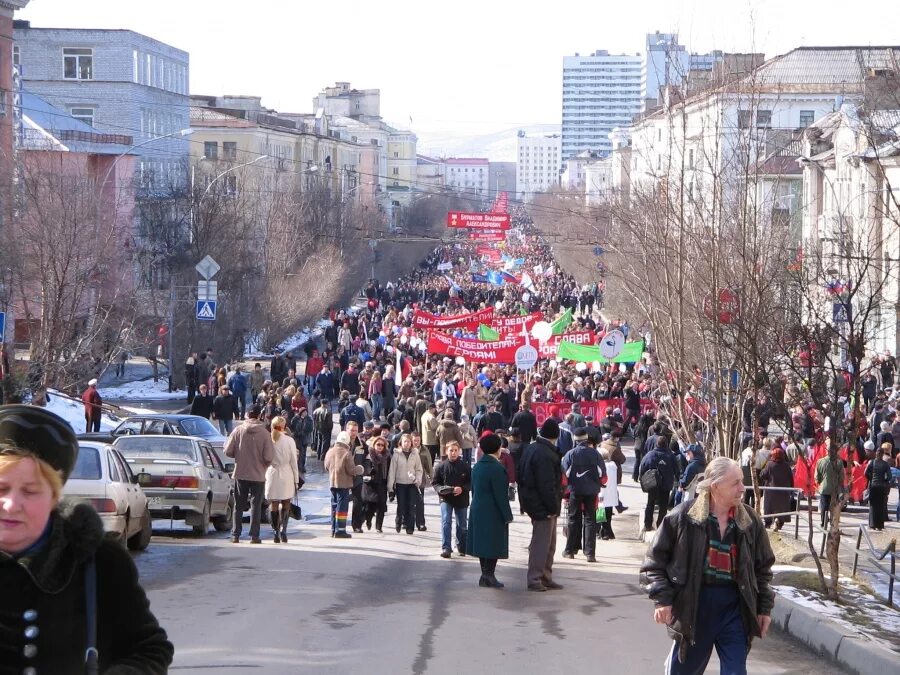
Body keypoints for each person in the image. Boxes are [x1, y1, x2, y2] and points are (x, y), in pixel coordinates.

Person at [0, 405, 174, 672]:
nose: (11, 505)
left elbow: (148, 649)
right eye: (1, 488)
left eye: (30, 491)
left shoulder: (98, 561)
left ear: (53, 498)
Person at [641, 457, 776, 675]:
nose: (743, 488)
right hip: (695, 606)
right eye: (735, 483)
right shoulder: (683, 517)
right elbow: (653, 564)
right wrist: (662, 600)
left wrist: (764, 608)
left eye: (742, 481)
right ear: (715, 486)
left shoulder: (749, 521)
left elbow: (763, 569)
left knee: (735, 671)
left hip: (735, 607)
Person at [518, 418, 564, 592]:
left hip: (534, 502)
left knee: (549, 543)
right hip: (542, 505)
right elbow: (546, 485)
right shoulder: (545, 454)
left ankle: (545, 576)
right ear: (555, 436)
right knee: (541, 544)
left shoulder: (533, 448)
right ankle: (535, 578)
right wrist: (552, 508)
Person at [466, 432, 514, 588]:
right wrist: (507, 514)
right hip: (492, 511)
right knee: (493, 543)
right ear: (497, 448)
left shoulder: (477, 466)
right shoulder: (497, 468)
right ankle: (489, 574)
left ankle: (484, 575)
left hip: (477, 508)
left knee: (482, 542)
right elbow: (501, 495)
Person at [225, 403, 275, 544]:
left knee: (238, 505)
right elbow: (269, 457)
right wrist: (263, 465)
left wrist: (239, 456)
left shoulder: (238, 430)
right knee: (256, 505)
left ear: (247, 415)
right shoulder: (265, 433)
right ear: (260, 415)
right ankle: (254, 536)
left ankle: (235, 535)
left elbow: (228, 451)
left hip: (240, 472)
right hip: (258, 474)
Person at [561, 427, 606, 563]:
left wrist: (565, 492)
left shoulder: (570, 454)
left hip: (575, 491)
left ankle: (569, 551)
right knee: (590, 520)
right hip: (592, 492)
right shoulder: (596, 454)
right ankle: (590, 553)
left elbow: (564, 477)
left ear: (575, 440)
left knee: (573, 519)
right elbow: (603, 476)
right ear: (586, 439)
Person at [433, 440, 471, 558]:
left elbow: (471, 483)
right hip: (446, 498)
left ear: (459, 451)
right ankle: (446, 548)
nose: (453, 453)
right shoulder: (440, 466)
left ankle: (461, 546)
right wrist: (441, 489)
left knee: (462, 525)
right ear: (446, 451)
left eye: (455, 450)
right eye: (451, 450)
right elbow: (435, 483)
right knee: (446, 521)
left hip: (461, 498)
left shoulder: (465, 466)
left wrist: (463, 488)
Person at [265, 416, 300, 543]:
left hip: (272, 472)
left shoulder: (268, 440)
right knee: (286, 502)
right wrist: (296, 479)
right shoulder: (289, 440)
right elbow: (293, 461)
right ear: (284, 426)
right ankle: (284, 530)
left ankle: (275, 531)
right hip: (286, 472)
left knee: (273, 503)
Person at [323, 430, 364, 538]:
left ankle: (333, 529)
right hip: (344, 484)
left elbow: (326, 466)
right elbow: (351, 470)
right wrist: (360, 469)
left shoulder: (330, 451)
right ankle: (340, 530)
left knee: (334, 506)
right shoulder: (346, 453)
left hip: (332, 482)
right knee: (342, 507)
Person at [639, 434, 676, 536]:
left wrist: (643, 479)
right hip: (666, 485)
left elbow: (642, 467)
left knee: (650, 504)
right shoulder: (670, 456)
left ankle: (647, 524)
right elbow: (677, 470)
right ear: (666, 444)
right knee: (663, 507)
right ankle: (660, 526)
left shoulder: (650, 455)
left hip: (653, 484)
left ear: (657, 444)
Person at [388, 433, 423, 535]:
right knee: (401, 504)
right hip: (400, 483)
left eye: (408, 442)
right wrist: (390, 487)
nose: (407, 444)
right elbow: (392, 471)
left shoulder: (415, 454)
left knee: (411, 505)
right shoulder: (396, 454)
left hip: (412, 483)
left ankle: (410, 527)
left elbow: (419, 469)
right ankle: (398, 521)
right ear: (401, 443)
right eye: (405, 442)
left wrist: (417, 479)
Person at [759, 448, 794, 531]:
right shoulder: (786, 465)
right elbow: (791, 478)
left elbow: (763, 475)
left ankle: (768, 522)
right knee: (782, 508)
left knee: (769, 507)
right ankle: (779, 521)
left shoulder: (769, 464)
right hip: (784, 491)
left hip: (771, 491)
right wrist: (791, 489)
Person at [362, 435, 391, 532]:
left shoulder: (387, 456)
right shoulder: (369, 456)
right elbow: (365, 469)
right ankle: (368, 520)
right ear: (374, 445)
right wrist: (370, 471)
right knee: (370, 507)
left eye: (382, 445)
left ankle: (379, 527)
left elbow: (390, 469)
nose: (380, 447)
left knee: (381, 506)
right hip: (371, 484)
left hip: (382, 483)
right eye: (378, 444)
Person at [865, 444, 893, 530]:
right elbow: (889, 476)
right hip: (881, 487)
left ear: (876, 453)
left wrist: (871, 479)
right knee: (880, 506)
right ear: (882, 454)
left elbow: (865, 473)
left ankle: (872, 524)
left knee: (873, 506)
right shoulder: (885, 464)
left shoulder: (871, 462)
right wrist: (884, 481)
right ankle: (880, 525)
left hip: (873, 486)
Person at [414, 431, 433, 532]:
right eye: (414, 441)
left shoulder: (424, 450)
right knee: (407, 502)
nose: (416, 442)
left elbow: (429, 465)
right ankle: (405, 521)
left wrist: (432, 478)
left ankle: (421, 523)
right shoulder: (407, 448)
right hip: (407, 480)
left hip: (420, 480)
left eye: (418, 441)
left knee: (420, 502)